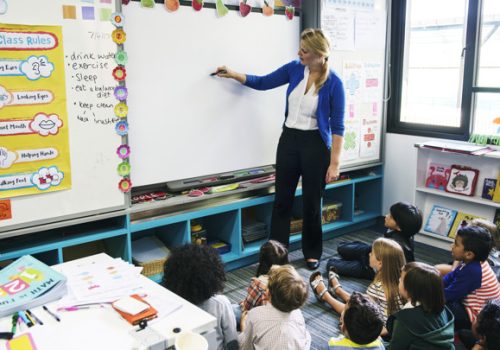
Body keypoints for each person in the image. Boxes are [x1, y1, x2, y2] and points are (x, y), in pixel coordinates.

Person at [215, 28, 346, 270]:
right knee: (282, 200)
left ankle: (312, 251)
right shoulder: (294, 69)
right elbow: (263, 82)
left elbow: (338, 127)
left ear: (319, 54)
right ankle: (277, 253)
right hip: (289, 141)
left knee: (311, 202)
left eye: (305, 50)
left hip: (316, 145)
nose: (299, 53)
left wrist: (335, 163)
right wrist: (234, 74)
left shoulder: (334, 83)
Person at [310, 238, 405, 326]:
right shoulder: (398, 281)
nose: (369, 254)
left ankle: (326, 296)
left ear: (380, 263)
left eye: (372, 253)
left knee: (351, 311)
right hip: (384, 316)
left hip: (375, 326)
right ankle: (338, 291)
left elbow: (367, 308)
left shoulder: (379, 287)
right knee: (359, 298)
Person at [162, 244, 238, 350]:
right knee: (236, 310)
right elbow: (232, 341)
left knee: (235, 309)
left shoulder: (171, 305)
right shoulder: (220, 303)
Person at [327, 202, 422, 280]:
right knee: (341, 248)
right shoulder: (397, 231)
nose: (386, 216)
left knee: (331, 264)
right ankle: (356, 255)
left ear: (399, 227)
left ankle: (356, 258)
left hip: (369, 267)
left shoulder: (396, 247)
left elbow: (380, 268)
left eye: (391, 217)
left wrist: (364, 262)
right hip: (370, 251)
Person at [439, 226, 500, 331]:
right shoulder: (472, 262)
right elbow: (450, 277)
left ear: (469, 254)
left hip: (475, 318)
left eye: (456, 244)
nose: (452, 246)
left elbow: (448, 296)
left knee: (440, 306)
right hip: (470, 305)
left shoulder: (473, 271)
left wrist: (428, 296)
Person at [238, 264, 311, 350]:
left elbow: (244, 347)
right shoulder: (298, 314)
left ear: (268, 293)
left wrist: (243, 327)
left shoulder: (255, 314)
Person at [386, 262, 455, 349]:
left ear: (411, 288)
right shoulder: (442, 309)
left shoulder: (406, 320)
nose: (399, 280)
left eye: (402, 279)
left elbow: (395, 348)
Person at [240, 240, 289, 313]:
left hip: (261, 319)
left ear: (262, 261)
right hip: (283, 317)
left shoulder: (258, 284)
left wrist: (243, 304)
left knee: (233, 308)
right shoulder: (291, 281)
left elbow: (247, 309)